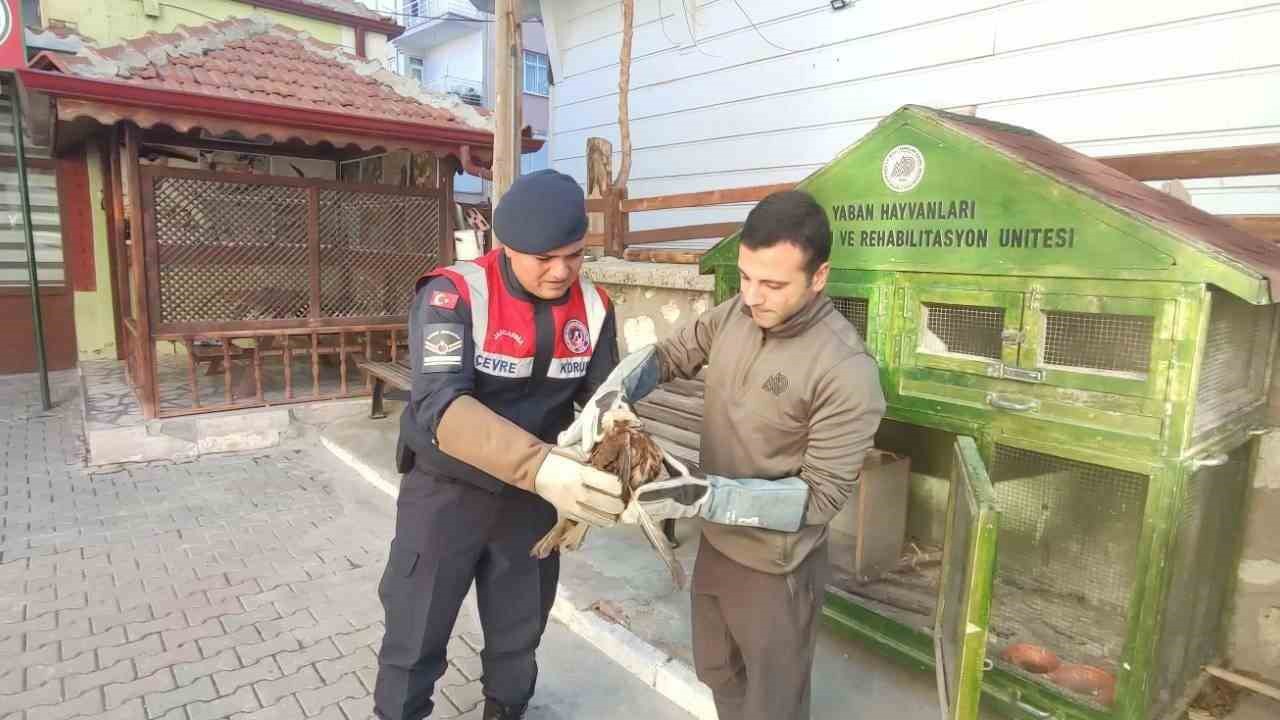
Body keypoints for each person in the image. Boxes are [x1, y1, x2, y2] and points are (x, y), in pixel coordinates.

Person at [563, 190, 887, 720]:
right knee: (716, 670)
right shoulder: (736, 314)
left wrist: (704, 496)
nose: (753, 296)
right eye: (746, 277)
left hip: (776, 566)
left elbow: (822, 498)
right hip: (716, 546)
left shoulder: (846, 369)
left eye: (774, 284)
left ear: (820, 276)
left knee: (772, 704)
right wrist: (616, 392)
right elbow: (670, 355)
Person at [374, 170, 626, 720]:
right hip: (446, 494)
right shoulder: (454, 294)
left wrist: (608, 466)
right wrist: (542, 467)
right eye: (544, 258)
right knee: (414, 636)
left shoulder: (596, 306)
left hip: (532, 506)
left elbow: (603, 403)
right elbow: (441, 406)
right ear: (506, 246)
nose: (562, 271)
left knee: (518, 638)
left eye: (575, 255)